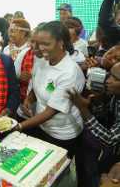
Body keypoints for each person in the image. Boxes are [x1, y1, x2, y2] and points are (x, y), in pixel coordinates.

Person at [18, 21, 85, 159]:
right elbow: (37, 83)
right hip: (41, 125)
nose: (40, 48)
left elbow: (50, 112)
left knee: (55, 169)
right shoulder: (41, 60)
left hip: (62, 133)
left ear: (61, 43)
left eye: (46, 44)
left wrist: (18, 126)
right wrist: (29, 99)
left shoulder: (69, 72)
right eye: (37, 43)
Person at [68, 62, 120, 187]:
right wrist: (98, 100)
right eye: (109, 75)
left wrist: (82, 108)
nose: (108, 81)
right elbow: (108, 116)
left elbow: (109, 138)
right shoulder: (115, 96)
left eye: (116, 79)